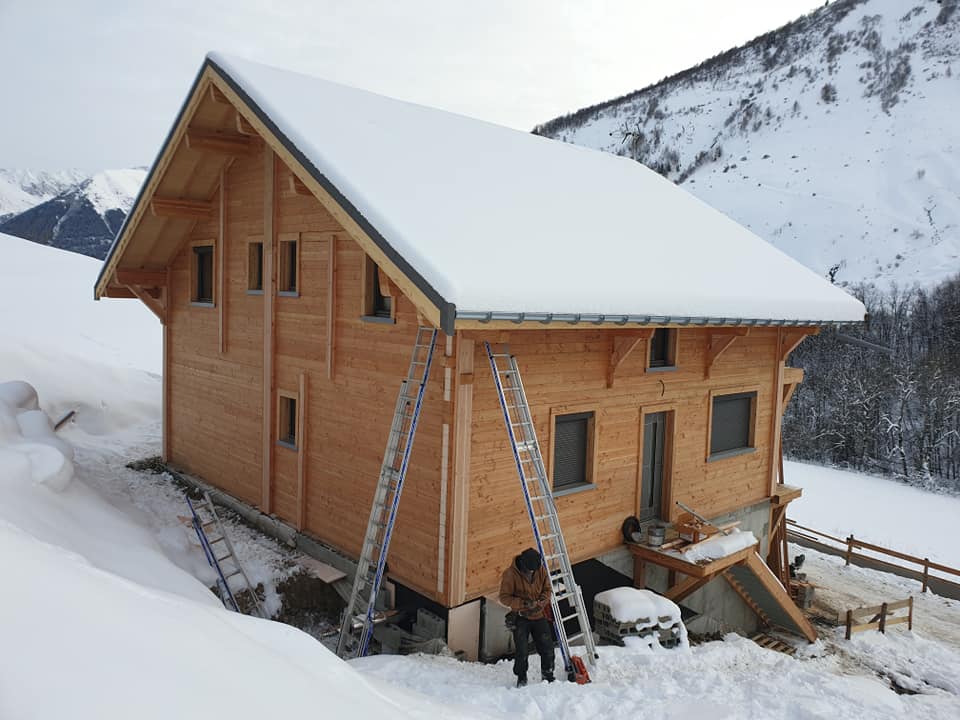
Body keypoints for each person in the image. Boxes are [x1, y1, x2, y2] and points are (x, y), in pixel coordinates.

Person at [499, 547, 555, 687]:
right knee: (522, 651)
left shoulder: (540, 569)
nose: (532, 572)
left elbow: (548, 589)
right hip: (520, 617)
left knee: (547, 646)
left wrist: (541, 601)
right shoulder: (510, 574)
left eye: (534, 570)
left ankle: (547, 673)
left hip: (538, 614)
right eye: (529, 570)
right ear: (523, 564)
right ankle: (521, 676)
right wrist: (523, 603)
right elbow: (504, 597)